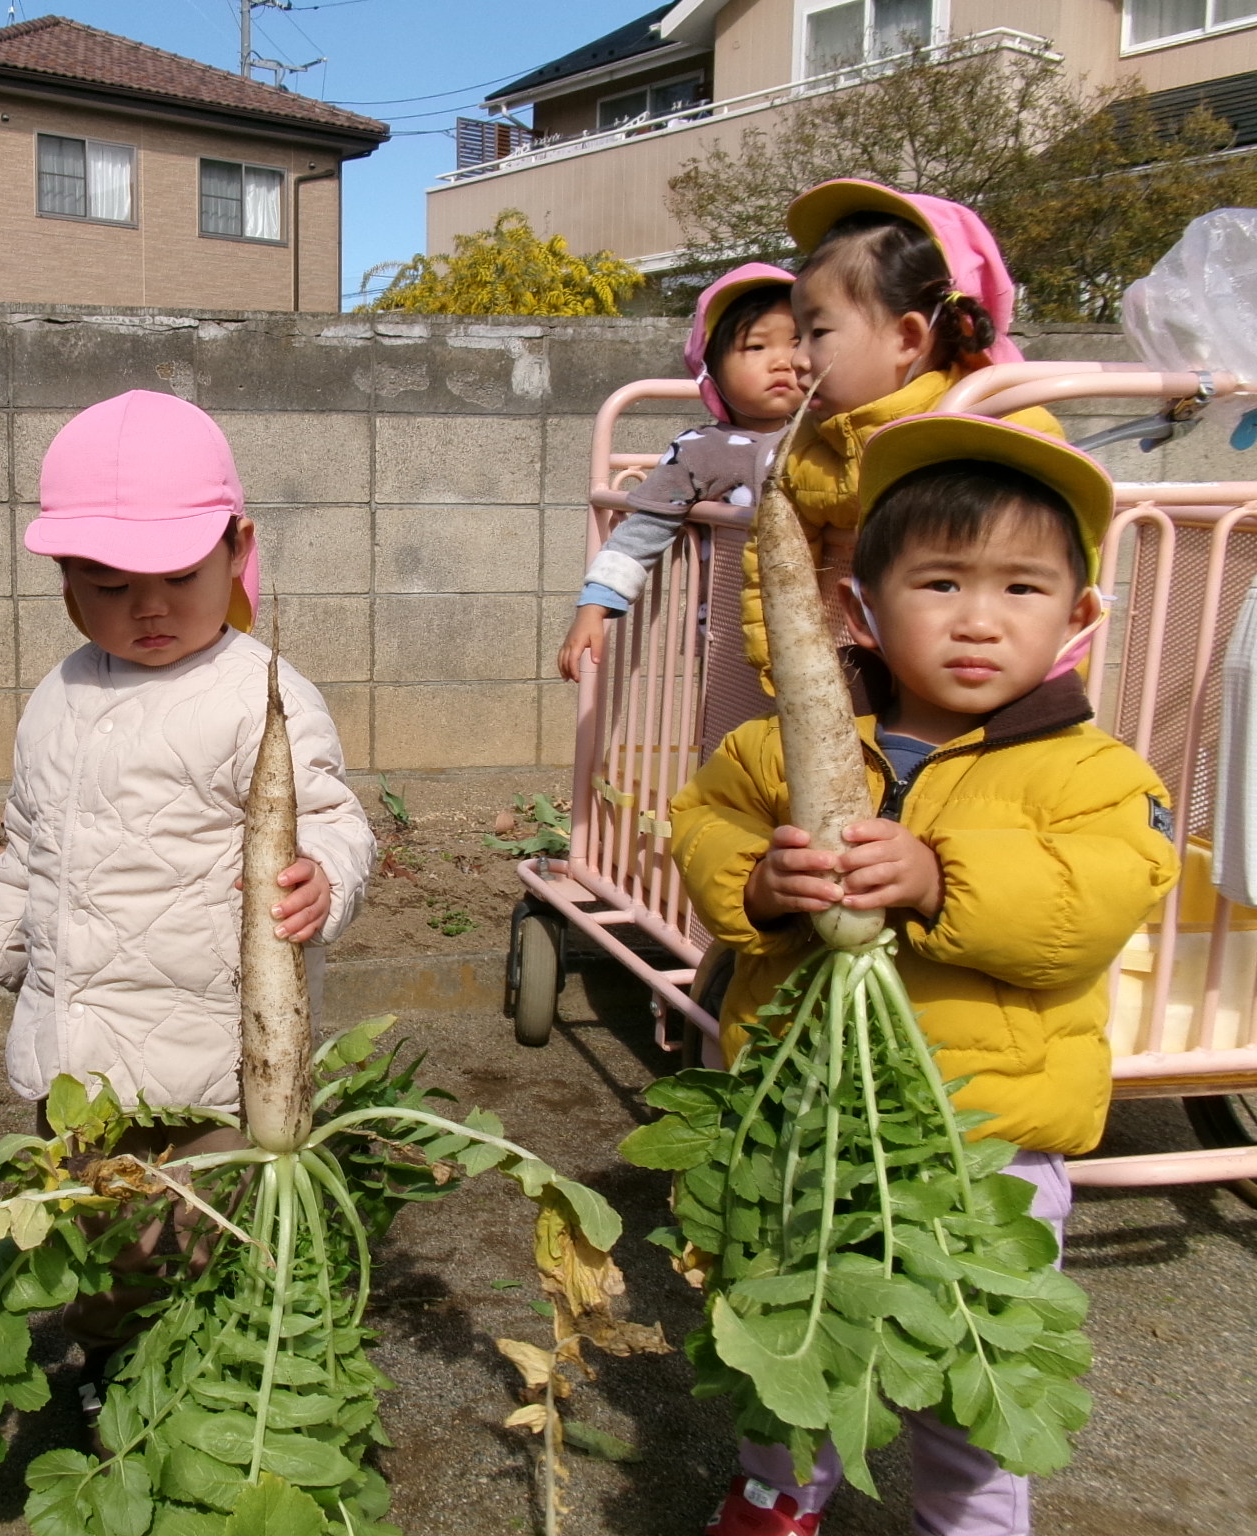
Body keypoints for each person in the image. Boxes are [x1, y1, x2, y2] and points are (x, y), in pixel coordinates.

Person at [671, 415, 1179, 1536]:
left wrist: (939, 876)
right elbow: (700, 823)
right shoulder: (782, 745)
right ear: (857, 607)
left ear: (1077, 620)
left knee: (970, 1373)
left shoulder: (1098, 774)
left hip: (983, 1150)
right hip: (802, 1126)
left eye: (1019, 589)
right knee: (785, 1325)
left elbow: (1094, 898)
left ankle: (972, 1524)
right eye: (939, 582)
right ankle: (771, 1496)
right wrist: (756, 885)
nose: (976, 620)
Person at [0, 389, 375, 1393]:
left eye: (177, 578)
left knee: (181, 1239)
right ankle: (121, 1366)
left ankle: (192, 1382)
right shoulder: (58, 694)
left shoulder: (258, 692)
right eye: (104, 585)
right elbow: (29, 844)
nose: (144, 609)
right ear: (62, 582)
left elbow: (335, 818)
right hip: (77, 1054)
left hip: (209, 1053)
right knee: (98, 1232)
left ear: (237, 553)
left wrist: (328, 878)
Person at [737, 180, 1064, 678]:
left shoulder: (1004, 426)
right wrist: (782, 672)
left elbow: (1060, 584)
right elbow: (775, 574)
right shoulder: (805, 446)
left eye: (817, 334)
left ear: (908, 337)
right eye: (797, 335)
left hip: (989, 690)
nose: (797, 359)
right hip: (861, 687)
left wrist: (1047, 690)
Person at [559, 263, 798, 678]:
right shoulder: (700, 450)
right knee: (738, 740)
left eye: (799, 343)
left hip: (841, 634)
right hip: (736, 639)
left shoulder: (840, 437)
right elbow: (642, 529)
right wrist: (593, 606)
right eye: (756, 347)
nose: (782, 362)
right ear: (712, 372)